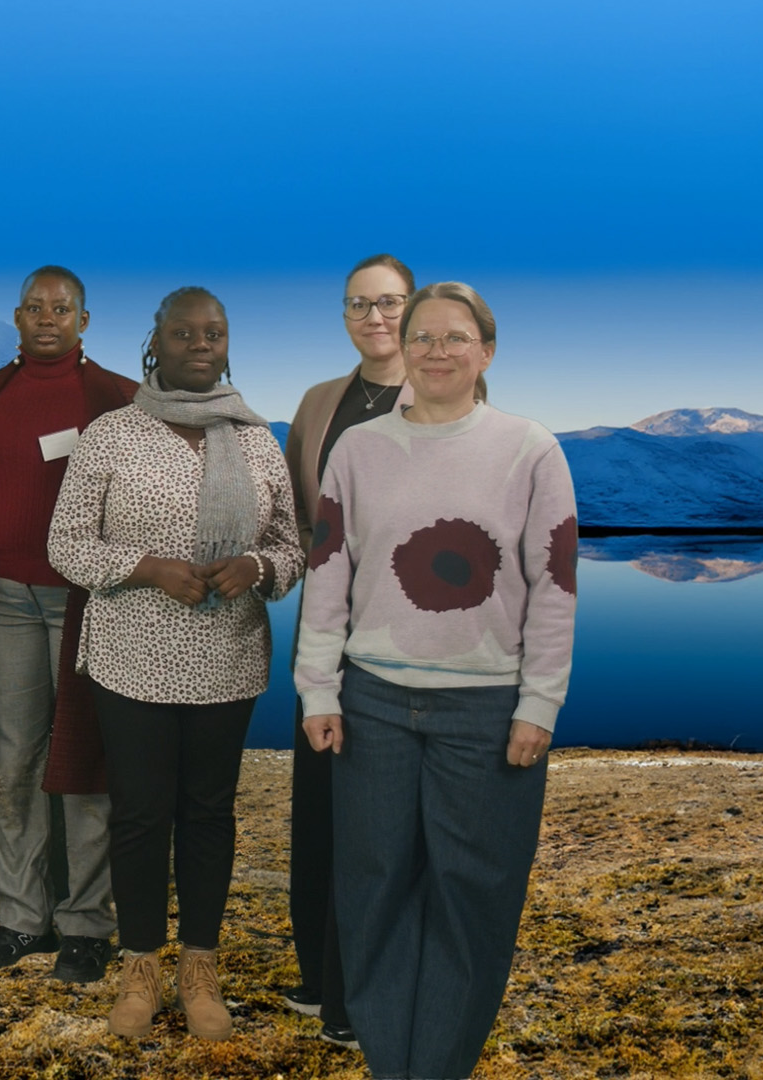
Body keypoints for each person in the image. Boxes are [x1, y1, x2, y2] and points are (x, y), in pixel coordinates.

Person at [297, 282, 577, 1079]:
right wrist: (318, 686)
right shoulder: (358, 450)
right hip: (374, 701)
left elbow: (554, 585)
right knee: (374, 889)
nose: (437, 351)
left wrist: (539, 704)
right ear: (403, 348)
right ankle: (391, 1060)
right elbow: (327, 575)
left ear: (486, 351)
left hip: (487, 711)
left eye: (457, 337)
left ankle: (440, 1065)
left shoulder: (530, 450)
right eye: (422, 337)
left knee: (472, 897)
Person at [48, 287, 304, 1040]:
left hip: (227, 657)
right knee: (137, 813)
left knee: (207, 812)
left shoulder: (256, 439)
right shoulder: (113, 433)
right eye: (184, 332)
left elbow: (292, 546)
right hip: (133, 657)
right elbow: (67, 544)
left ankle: (200, 965)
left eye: (213, 332)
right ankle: (139, 967)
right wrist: (150, 568)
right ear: (154, 345)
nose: (200, 342)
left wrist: (257, 567)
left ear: (227, 346)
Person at [0, 266, 135, 983]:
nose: (46, 318)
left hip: (86, 604)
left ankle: (88, 927)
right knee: (17, 763)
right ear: (17, 315)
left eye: (61, 308)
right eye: (34, 307)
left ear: (84, 320)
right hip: (2, 598)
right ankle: (20, 919)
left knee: (86, 762)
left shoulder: (117, 398)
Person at [279, 253, 417, 1046]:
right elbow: (303, 522)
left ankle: (363, 982)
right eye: (359, 304)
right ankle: (316, 971)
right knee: (320, 802)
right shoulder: (319, 402)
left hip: (402, 629)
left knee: (382, 807)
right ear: (344, 315)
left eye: (390, 302)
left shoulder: (439, 390)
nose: (375, 317)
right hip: (326, 629)